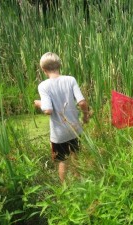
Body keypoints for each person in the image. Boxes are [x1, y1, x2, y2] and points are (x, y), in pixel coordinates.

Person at [34, 52, 90, 183]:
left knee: (62, 161)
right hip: (75, 129)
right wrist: (86, 116)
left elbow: (48, 110)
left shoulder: (43, 86)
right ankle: (79, 182)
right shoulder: (70, 80)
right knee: (76, 155)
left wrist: (39, 104)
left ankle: (64, 188)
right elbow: (82, 102)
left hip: (59, 133)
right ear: (59, 65)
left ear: (43, 69)